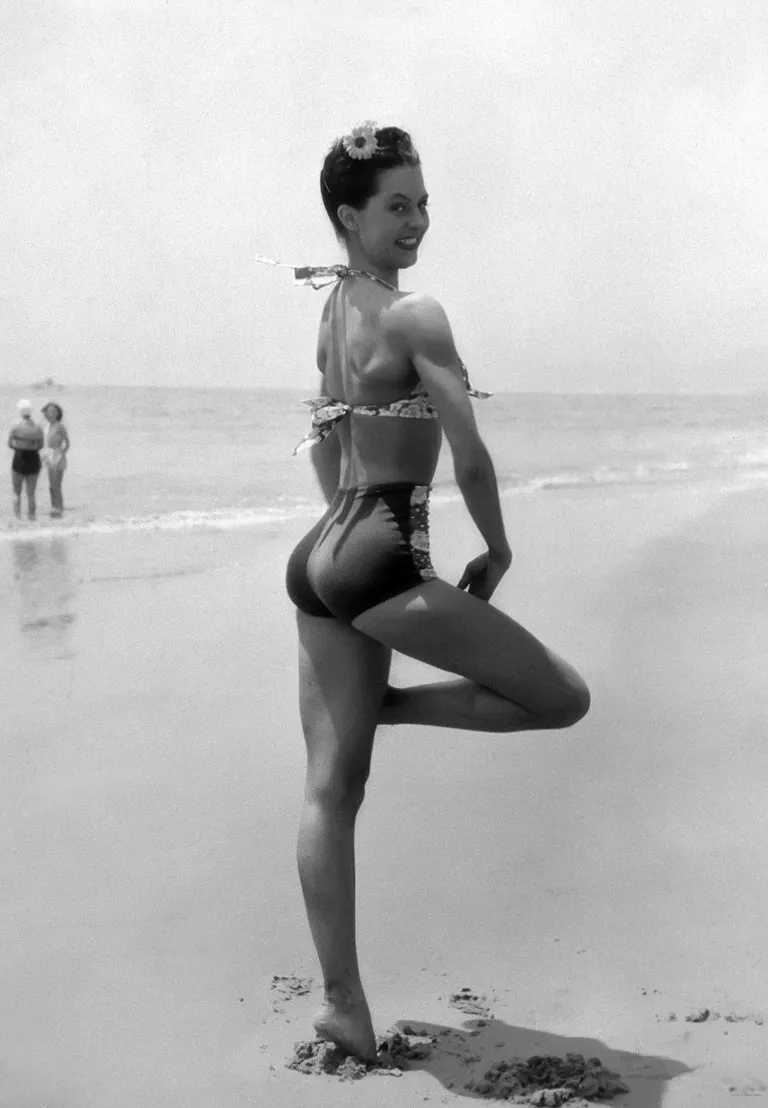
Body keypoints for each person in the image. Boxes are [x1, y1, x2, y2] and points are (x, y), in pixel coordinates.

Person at [278, 123, 591, 1062]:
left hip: (322, 554)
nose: (416, 220)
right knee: (563, 698)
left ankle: (343, 1006)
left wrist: (337, 547)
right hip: (377, 556)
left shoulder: (333, 308)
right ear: (350, 216)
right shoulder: (416, 315)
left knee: (332, 788)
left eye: (422, 202)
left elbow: (326, 438)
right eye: (396, 205)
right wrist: (497, 547)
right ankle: (394, 707)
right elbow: (470, 455)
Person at [8, 399, 44, 520]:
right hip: (33, 459)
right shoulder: (38, 428)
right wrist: (30, 446)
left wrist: (20, 446)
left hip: (19, 458)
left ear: (20, 412)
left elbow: (10, 444)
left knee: (16, 492)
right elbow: (41, 445)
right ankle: (31, 517)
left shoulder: (16, 427)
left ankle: (17, 516)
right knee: (31, 493)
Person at [41, 401, 70, 517]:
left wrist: (61, 454)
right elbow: (45, 443)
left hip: (58, 454)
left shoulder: (60, 426)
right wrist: (43, 456)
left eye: (53, 411)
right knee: (51, 485)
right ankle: (55, 507)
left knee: (56, 484)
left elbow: (67, 443)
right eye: (48, 411)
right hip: (48, 454)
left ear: (57, 413)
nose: (50, 413)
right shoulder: (47, 426)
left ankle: (58, 508)